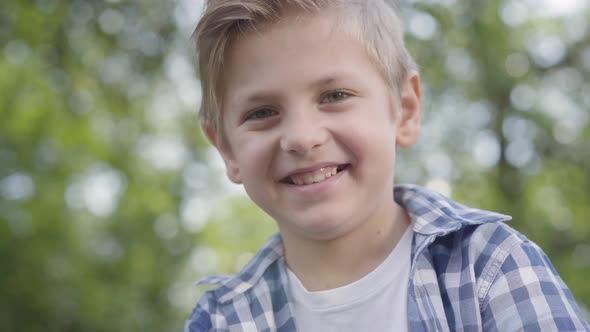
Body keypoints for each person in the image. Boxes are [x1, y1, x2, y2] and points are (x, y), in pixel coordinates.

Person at [185, 0, 590, 330]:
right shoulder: (222, 320)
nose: (302, 137)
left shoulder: (491, 266)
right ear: (227, 150)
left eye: (334, 95)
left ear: (406, 110)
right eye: (262, 112)